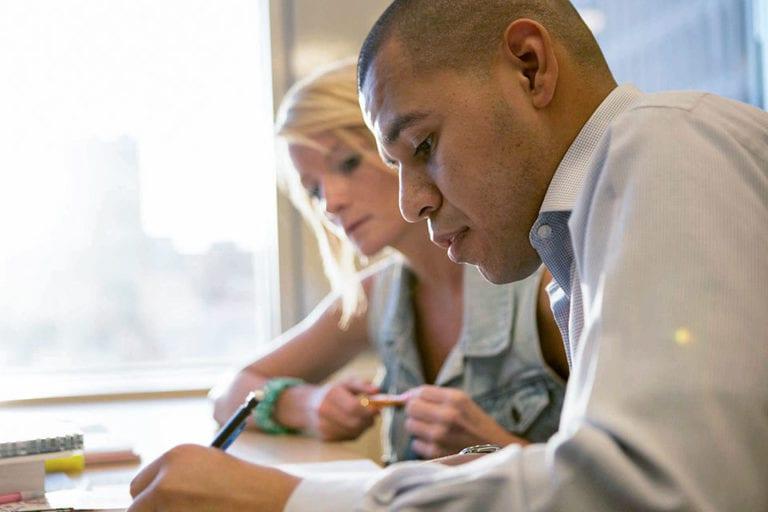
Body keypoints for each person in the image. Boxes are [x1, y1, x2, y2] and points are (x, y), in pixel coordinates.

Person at [128, 1, 768, 510]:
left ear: (529, 65)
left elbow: (662, 491)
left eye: (424, 143)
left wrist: (286, 499)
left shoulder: (667, 144)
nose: (412, 204)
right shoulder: (574, 247)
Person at [208, 60, 567, 465]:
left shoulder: (547, 285)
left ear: (401, 143)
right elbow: (228, 392)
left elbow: (627, 485)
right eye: (313, 190)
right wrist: (307, 405)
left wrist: (497, 450)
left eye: (347, 163)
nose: (332, 202)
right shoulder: (373, 296)